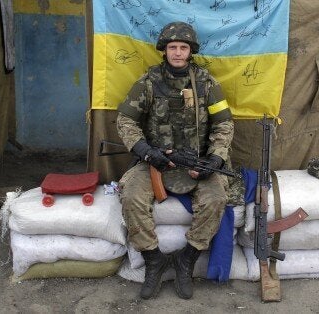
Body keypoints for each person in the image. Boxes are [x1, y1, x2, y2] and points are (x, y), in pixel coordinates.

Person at [116, 21, 234, 300]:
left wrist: (216, 159)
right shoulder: (147, 82)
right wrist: (146, 151)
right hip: (155, 161)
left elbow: (224, 124)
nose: (178, 53)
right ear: (164, 50)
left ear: (190, 51)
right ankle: (153, 260)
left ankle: (187, 259)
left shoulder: (206, 83)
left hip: (197, 162)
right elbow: (125, 120)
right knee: (131, 196)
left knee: (217, 199)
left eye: (183, 48)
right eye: (172, 47)